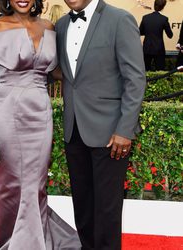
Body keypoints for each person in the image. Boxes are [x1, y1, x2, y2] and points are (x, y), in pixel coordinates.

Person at [0, 0, 81, 249]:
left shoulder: (48, 27)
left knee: (36, 183)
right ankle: (14, 241)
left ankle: (35, 239)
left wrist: (93, 75)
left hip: (40, 113)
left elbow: (55, 71)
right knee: (11, 184)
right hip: (6, 111)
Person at [55, 0, 147, 249]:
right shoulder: (62, 25)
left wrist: (124, 129)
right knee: (82, 205)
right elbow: (64, 73)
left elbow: (135, 78)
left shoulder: (119, 19)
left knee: (107, 208)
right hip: (74, 128)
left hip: (110, 131)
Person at [139, 0, 173, 71]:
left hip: (147, 48)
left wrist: (149, 32)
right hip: (159, 49)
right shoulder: (164, 19)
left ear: (154, 5)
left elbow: (140, 32)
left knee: (145, 70)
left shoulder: (145, 17)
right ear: (163, 7)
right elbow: (170, 35)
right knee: (160, 71)